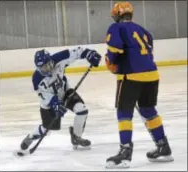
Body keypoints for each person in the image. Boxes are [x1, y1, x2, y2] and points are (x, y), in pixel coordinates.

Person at [105, 1, 174, 168]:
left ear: (117, 15)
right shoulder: (142, 30)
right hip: (151, 74)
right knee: (147, 110)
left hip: (131, 76)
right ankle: (163, 147)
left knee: (124, 112)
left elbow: (115, 49)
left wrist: (111, 62)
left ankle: (125, 152)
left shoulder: (116, 28)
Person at [18, 47, 101, 153]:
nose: (46, 70)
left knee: (82, 111)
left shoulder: (59, 58)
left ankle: (76, 137)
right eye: (42, 68)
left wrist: (89, 53)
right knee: (46, 130)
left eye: (47, 66)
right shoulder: (37, 79)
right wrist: (54, 104)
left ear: (50, 60)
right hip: (49, 104)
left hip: (65, 92)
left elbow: (77, 52)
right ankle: (30, 137)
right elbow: (43, 96)